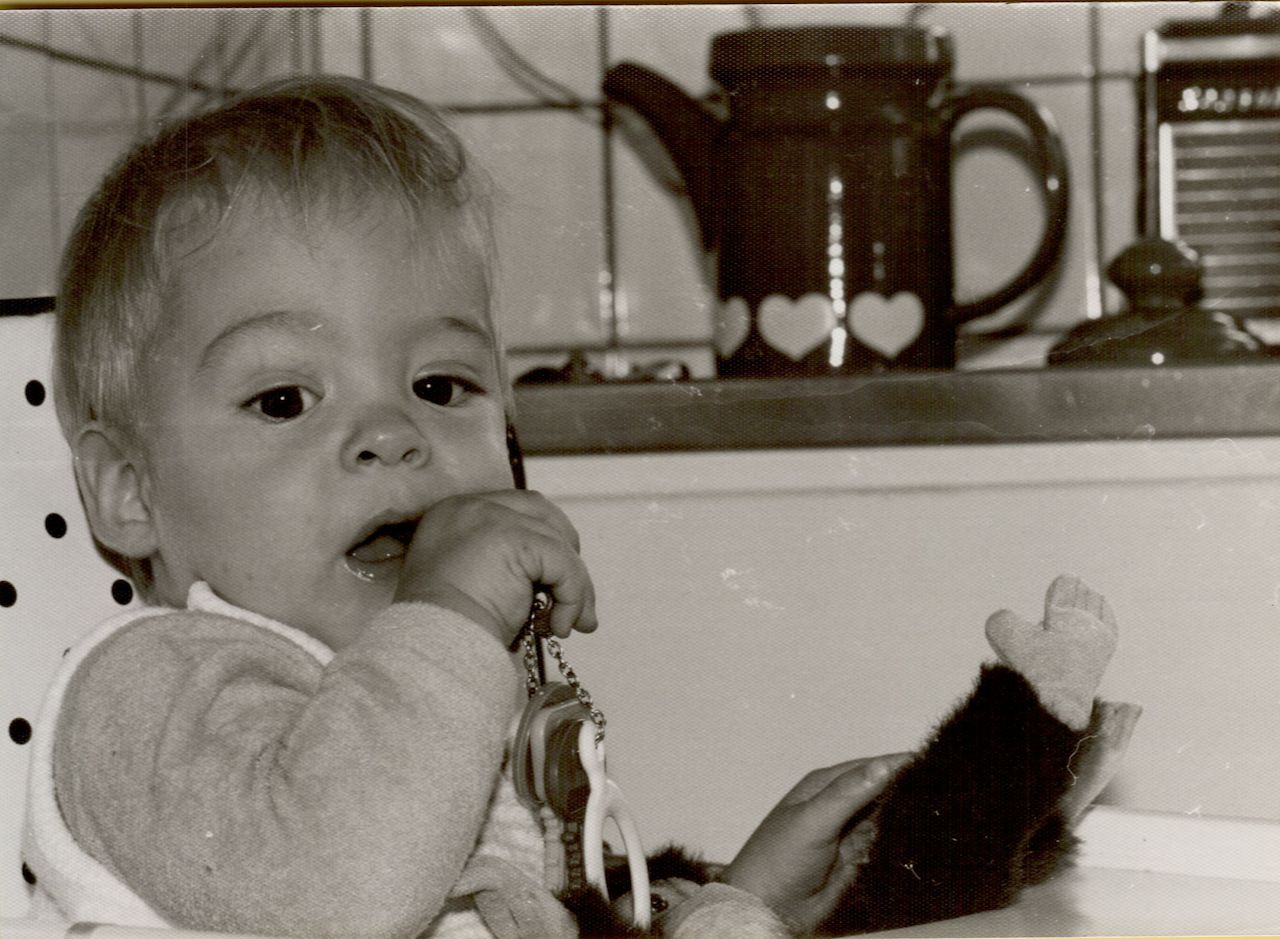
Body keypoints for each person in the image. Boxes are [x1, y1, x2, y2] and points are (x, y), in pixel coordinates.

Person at [22, 74, 909, 939]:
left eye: (440, 385)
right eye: (285, 399)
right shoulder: (152, 689)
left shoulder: (449, 703)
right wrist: (448, 615)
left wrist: (743, 902)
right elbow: (335, 901)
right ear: (130, 491)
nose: (393, 435)